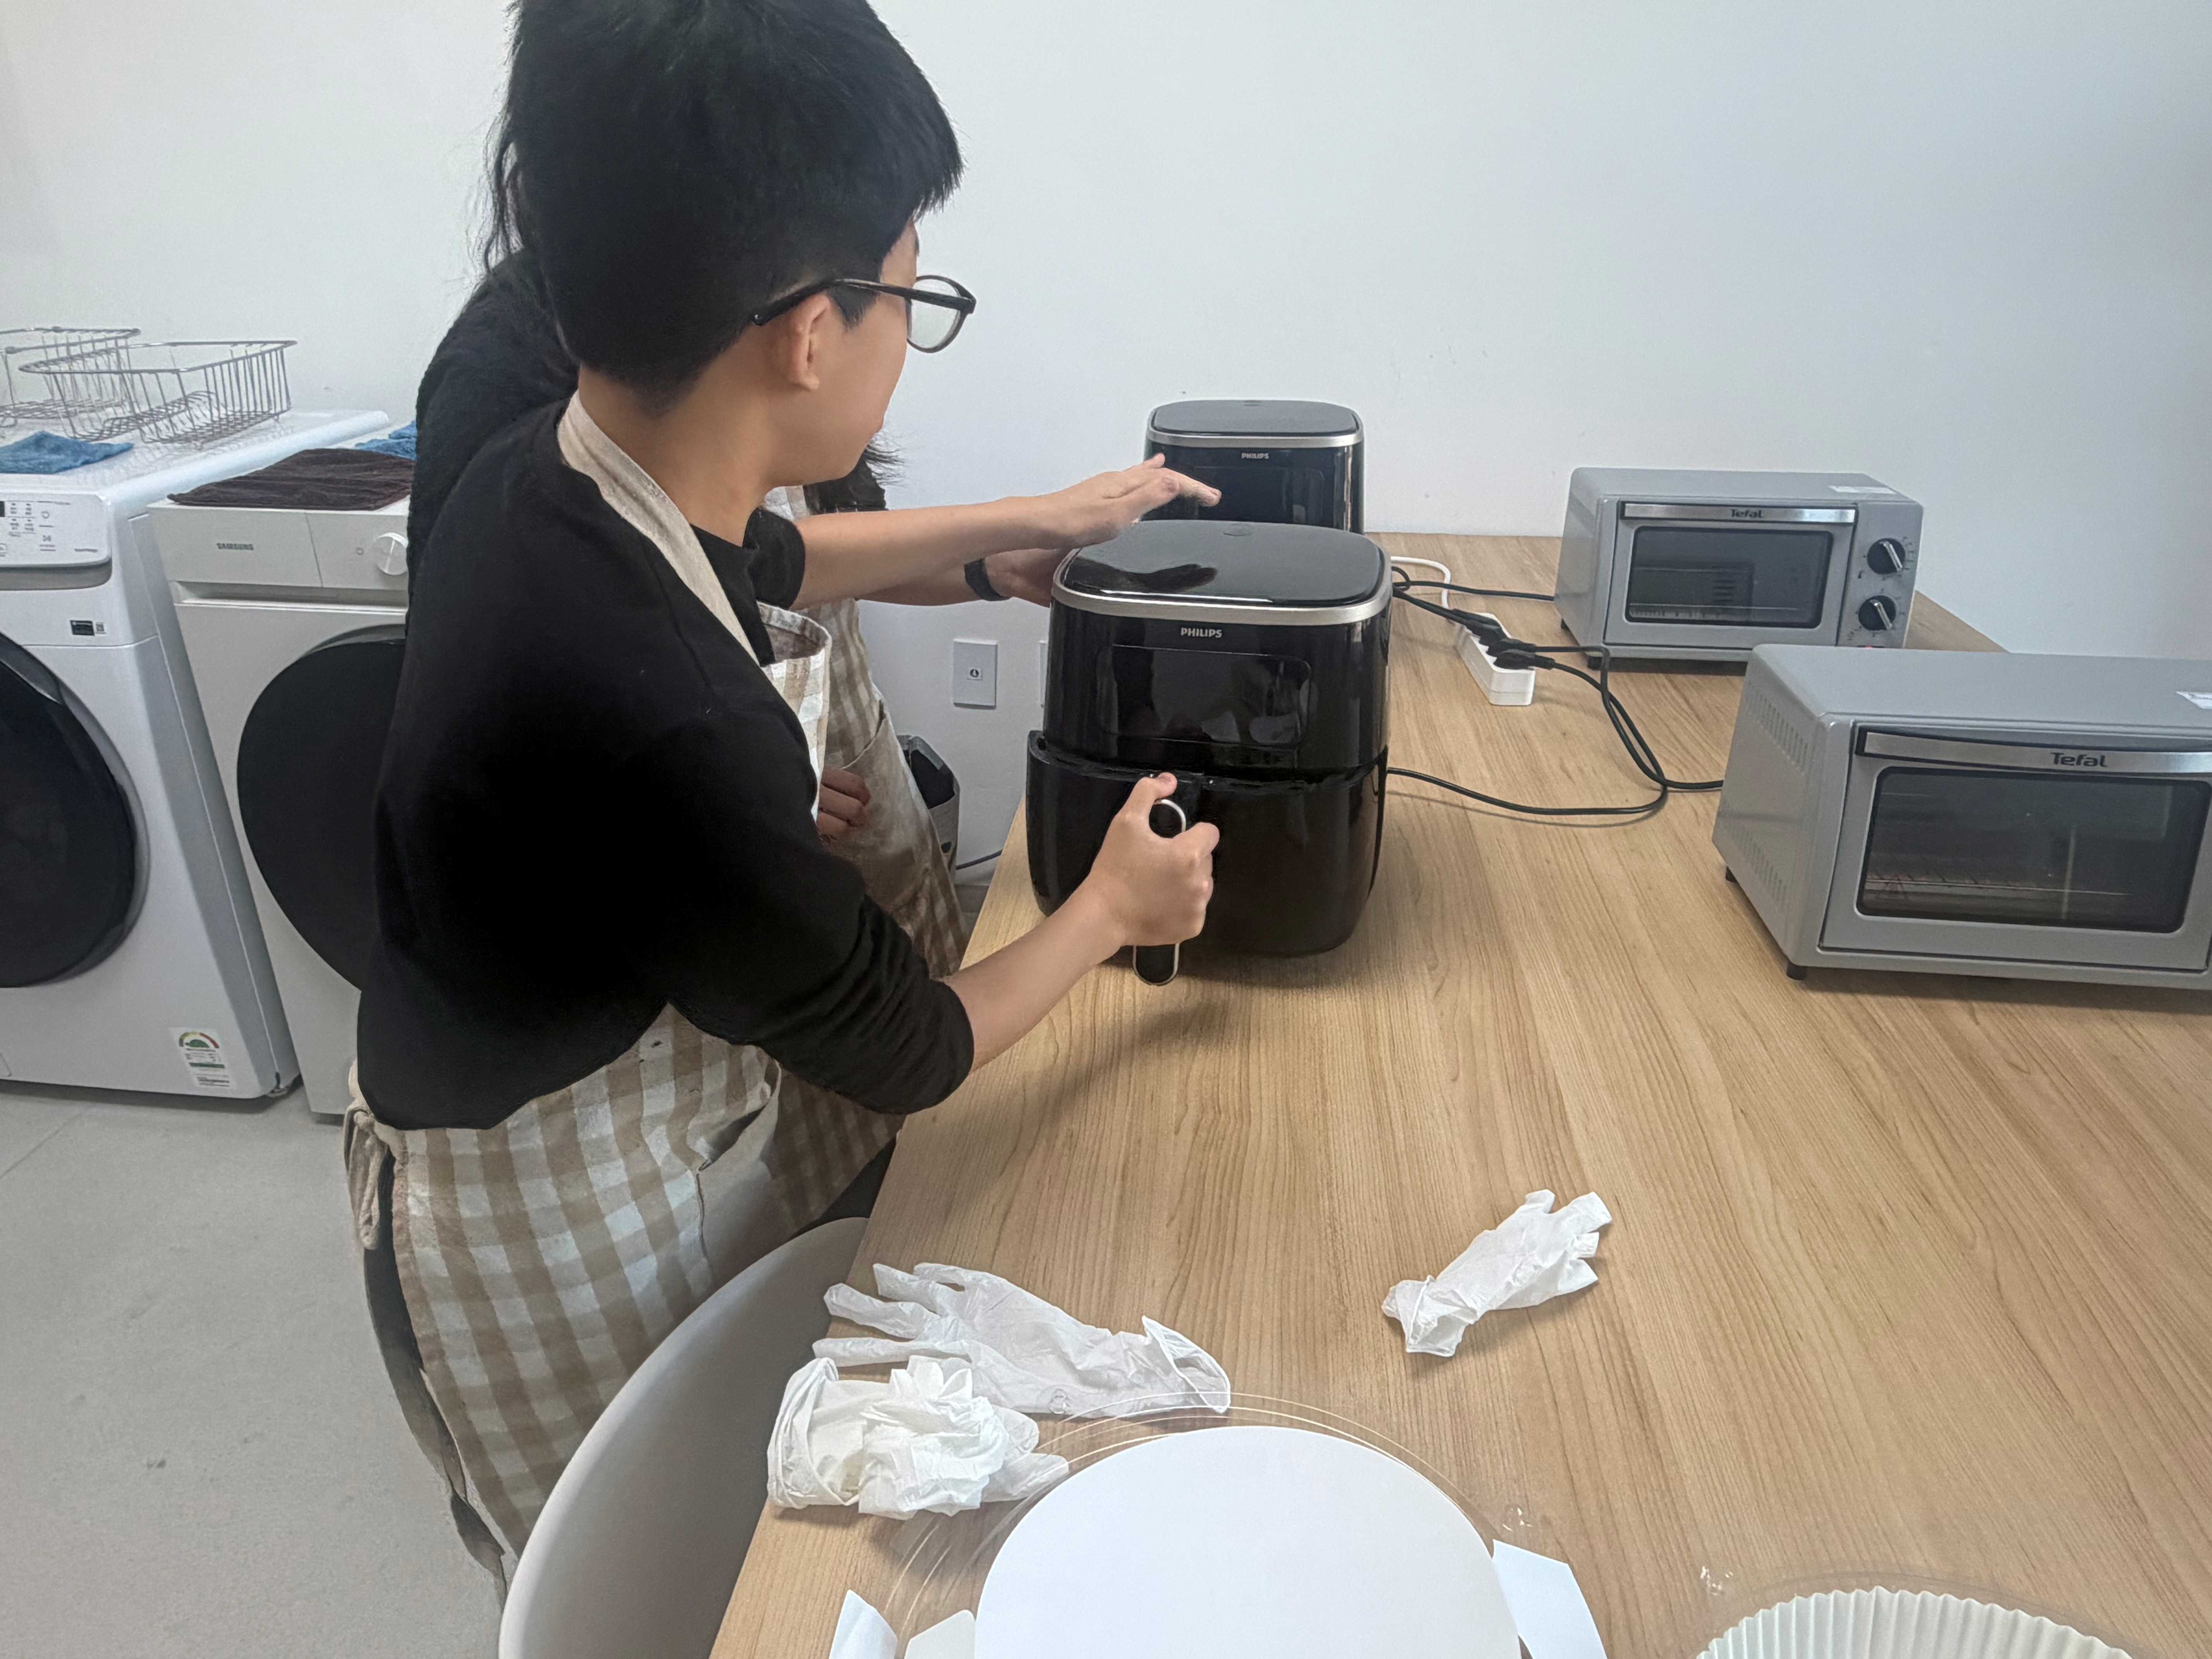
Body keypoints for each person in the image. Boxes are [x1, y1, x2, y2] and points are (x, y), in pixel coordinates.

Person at [343, 0, 1219, 1582]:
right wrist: (1110, 906)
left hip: (548, 1066)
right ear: (812, 334)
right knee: (652, 1573)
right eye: (912, 298)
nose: (905, 337)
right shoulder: (671, 712)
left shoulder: (561, 457)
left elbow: (768, 552)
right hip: (537, 1191)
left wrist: (998, 544)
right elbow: (915, 1048)